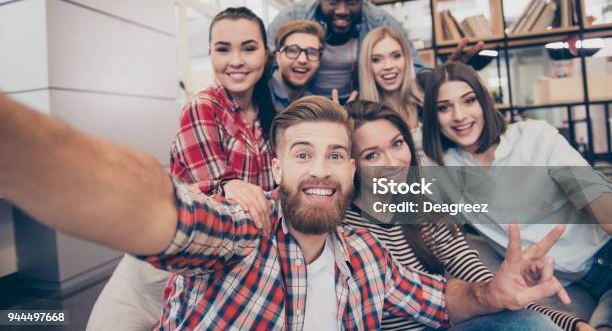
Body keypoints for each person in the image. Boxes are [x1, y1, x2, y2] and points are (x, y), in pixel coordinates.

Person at [1, 93, 573, 330]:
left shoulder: (368, 256)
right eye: (303, 155)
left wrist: (494, 292)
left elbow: (437, 295)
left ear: (350, 172)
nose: (321, 170)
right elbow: (151, 203)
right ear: (274, 170)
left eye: (335, 156)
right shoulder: (244, 229)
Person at [87, 7, 277, 330]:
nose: (236, 60)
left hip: (207, 273)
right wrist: (238, 189)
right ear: (210, 54)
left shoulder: (265, 115)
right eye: (223, 49)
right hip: (157, 268)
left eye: (248, 47)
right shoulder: (203, 106)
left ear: (266, 53)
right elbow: (225, 191)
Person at [344, 99, 590, 331]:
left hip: (452, 323)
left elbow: (490, 286)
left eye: (397, 143)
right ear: (351, 165)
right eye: (372, 155)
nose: (393, 162)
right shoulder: (347, 232)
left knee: (526, 321)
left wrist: (573, 325)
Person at [421, 62, 612, 328]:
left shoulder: (535, 137)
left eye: (469, 101)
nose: (459, 116)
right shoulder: (438, 169)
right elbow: (390, 144)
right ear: (432, 116)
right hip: (567, 280)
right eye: (444, 107)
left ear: (484, 101)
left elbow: (595, 195)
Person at [267, 0, 483, 102]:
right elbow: (266, 63)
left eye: (352, 0)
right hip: (303, 103)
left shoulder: (380, 21)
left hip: (360, 104)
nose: (342, 10)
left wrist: (444, 74)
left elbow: (414, 68)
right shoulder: (292, 17)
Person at [358, 26, 424, 159]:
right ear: (367, 66)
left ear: (407, 59)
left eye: (396, 56)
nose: (388, 66)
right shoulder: (363, 118)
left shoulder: (425, 100)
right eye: (376, 59)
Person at [268, 20, 324, 111]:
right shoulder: (255, 94)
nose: (303, 60)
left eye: (312, 52)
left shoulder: (313, 105)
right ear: (278, 57)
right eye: (293, 51)